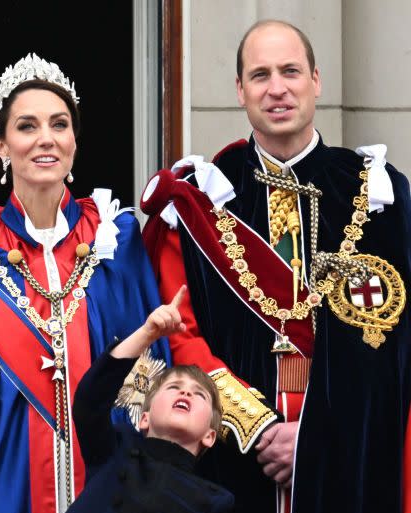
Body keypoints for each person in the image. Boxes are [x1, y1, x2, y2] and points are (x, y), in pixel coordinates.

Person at [139, 20, 411, 513]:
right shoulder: (201, 199)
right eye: (260, 75)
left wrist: (314, 435)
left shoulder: (379, 194)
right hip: (233, 458)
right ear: (240, 90)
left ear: (316, 81)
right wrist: (258, 427)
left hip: (350, 458)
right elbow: (181, 334)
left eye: (290, 71)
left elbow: (392, 346)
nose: (277, 88)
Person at [0, 53, 172, 512]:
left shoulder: (114, 234)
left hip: (110, 482)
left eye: (60, 124)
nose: (46, 139)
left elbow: (150, 369)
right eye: (27, 126)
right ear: (2, 146)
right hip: (2, 481)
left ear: (73, 141)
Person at [69, 285, 233, 513]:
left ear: (209, 436)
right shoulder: (114, 447)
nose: (185, 393)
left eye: (199, 394)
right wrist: (148, 333)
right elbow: (91, 400)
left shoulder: (215, 501)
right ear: (144, 418)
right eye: (174, 387)